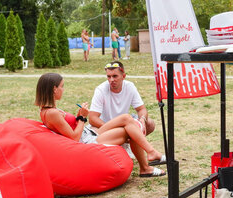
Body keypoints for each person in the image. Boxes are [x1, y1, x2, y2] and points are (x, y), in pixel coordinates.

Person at [35, 72, 165, 177]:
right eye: (62, 86)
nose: (63, 90)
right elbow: (74, 138)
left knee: (126, 118)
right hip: (86, 142)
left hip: (87, 134)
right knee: (130, 130)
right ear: (54, 89)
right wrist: (82, 117)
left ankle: (151, 153)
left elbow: (67, 127)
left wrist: (79, 115)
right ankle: (146, 166)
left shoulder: (48, 110)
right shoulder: (52, 113)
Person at [88, 61, 159, 163]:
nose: (111, 80)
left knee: (150, 124)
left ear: (123, 76)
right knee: (93, 131)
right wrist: (112, 127)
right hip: (104, 126)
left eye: (115, 76)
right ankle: (128, 145)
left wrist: (143, 119)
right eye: (108, 77)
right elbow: (92, 118)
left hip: (125, 124)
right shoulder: (101, 89)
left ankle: (128, 144)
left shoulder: (129, 86)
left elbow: (141, 109)